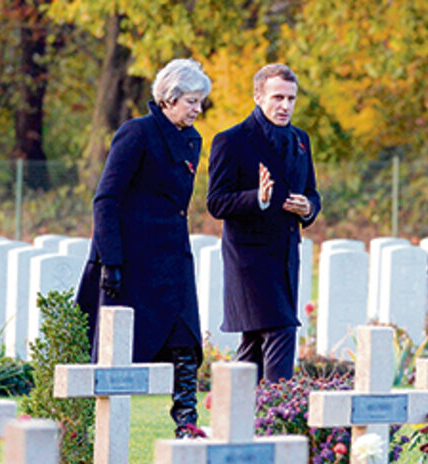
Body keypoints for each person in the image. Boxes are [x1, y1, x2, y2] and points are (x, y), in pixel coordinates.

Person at [76, 58, 210, 437]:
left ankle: (187, 425)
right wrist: (111, 261)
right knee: (111, 355)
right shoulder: (136, 134)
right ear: (168, 99)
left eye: (200, 102)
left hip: (174, 258)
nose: (198, 110)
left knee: (186, 341)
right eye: (192, 101)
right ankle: (91, 434)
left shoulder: (191, 140)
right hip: (131, 259)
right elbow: (106, 200)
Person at [206, 63, 321, 382]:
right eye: (277, 97)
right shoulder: (232, 141)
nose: (285, 106)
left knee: (254, 344)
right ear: (258, 97)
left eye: (291, 98)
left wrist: (308, 207)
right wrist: (258, 198)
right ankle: (275, 414)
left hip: (286, 258)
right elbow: (216, 202)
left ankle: (235, 418)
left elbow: (312, 192)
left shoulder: (300, 140)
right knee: (282, 329)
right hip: (249, 260)